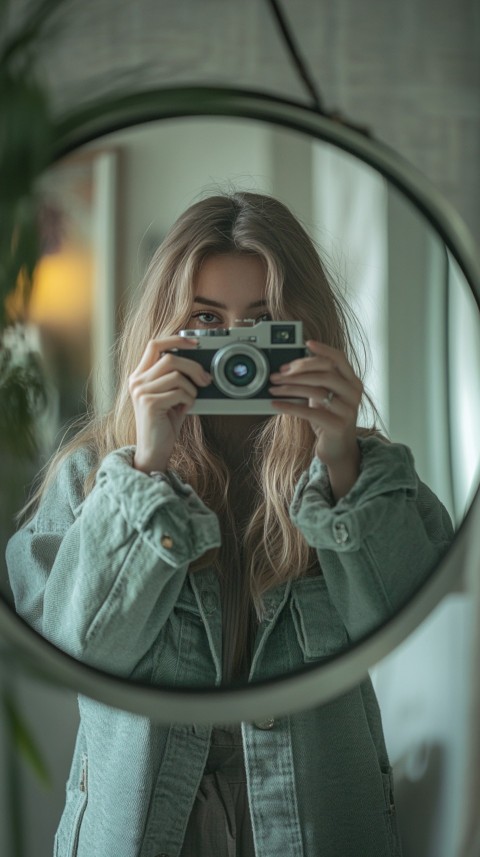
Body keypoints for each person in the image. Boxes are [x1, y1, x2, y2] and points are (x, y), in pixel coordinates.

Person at [6, 192, 454, 857]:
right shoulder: (94, 479)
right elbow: (77, 651)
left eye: (263, 322)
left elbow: (422, 643)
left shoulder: (364, 477)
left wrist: (341, 460)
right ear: (163, 331)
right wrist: (146, 468)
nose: (236, 354)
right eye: (208, 322)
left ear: (307, 331)